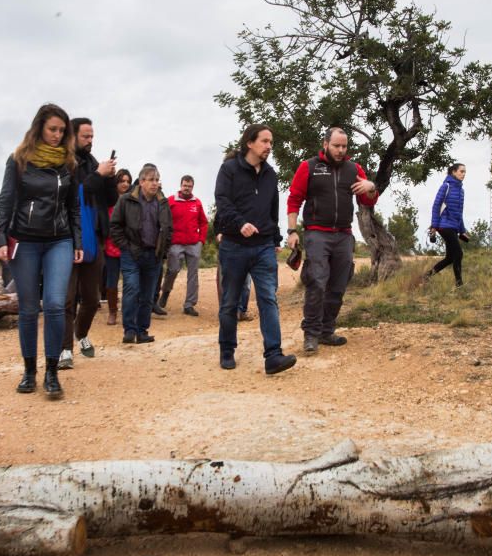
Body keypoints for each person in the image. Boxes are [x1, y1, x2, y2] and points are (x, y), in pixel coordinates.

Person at [0, 103, 82, 399]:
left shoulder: (70, 163)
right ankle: (30, 370)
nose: (57, 135)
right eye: (52, 129)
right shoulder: (19, 160)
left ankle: (52, 373)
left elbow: (73, 207)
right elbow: (6, 200)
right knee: (29, 309)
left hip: (59, 240)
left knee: (56, 304)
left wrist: (78, 241)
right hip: (25, 241)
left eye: (62, 130)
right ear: (39, 128)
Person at [287, 127, 379, 354]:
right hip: (317, 233)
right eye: (336, 146)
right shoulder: (308, 167)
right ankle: (311, 334)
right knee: (317, 282)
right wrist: (292, 231)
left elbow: (368, 200)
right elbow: (294, 200)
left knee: (338, 286)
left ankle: (327, 331)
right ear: (325, 144)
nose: (340, 150)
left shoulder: (353, 169)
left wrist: (371, 187)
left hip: (344, 235)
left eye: (344, 146)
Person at [213, 124, 296, 375]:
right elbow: (222, 202)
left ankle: (273, 355)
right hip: (233, 246)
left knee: (268, 299)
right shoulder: (229, 170)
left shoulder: (271, 174)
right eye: (264, 141)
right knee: (229, 302)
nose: (269, 146)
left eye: (271, 142)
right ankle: (227, 350)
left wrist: (276, 238)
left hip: (263, 248)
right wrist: (240, 224)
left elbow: (273, 209)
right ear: (250, 142)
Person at [58, 117, 117, 369]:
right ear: (72, 136)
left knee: (92, 300)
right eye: (85, 136)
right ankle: (64, 351)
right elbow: (75, 192)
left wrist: (110, 177)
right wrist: (97, 175)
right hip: (68, 240)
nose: (90, 141)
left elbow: (111, 198)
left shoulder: (93, 163)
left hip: (95, 240)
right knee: (68, 299)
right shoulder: (64, 163)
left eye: (92, 136)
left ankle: (80, 334)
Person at [109, 165, 173, 345]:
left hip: (153, 255)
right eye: (151, 179)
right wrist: (125, 247)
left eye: (157, 179)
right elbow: (115, 226)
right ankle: (129, 330)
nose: (155, 183)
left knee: (147, 295)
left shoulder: (162, 202)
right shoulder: (127, 199)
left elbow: (168, 229)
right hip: (131, 254)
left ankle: (142, 331)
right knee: (132, 289)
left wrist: (163, 251)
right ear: (142, 181)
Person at [160, 175, 208, 317]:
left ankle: (189, 304)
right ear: (181, 185)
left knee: (193, 275)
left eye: (189, 186)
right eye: (185, 185)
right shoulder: (171, 201)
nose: (187, 188)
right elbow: (164, 221)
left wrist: (201, 241)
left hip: (193, 244)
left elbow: (203, 223)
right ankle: (165, 293)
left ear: (192, 187)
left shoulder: (197, 203)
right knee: (173, 270)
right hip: (176, 243)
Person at [425, 163, 469, 287]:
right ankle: (459, 285)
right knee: (459, 254)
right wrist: (434, 225)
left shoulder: (461, 191)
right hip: (444, 225)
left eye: (465, 172)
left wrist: (462, 230)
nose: (463, 174)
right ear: (453, 172)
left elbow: (459, 213)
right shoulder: (446, 186)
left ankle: (426, 277)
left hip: (454, 227)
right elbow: (436, 206)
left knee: (450, 258)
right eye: (461, 171)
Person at [104, 169, 131, 325]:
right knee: (111, 280)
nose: (125, 184)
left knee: (130, 281)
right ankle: (112, 312)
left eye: (128, 181)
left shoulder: (132, 201)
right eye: (122, 181)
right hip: (111, 246)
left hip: (128, 247)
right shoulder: (109, 201)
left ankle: (128, 311)